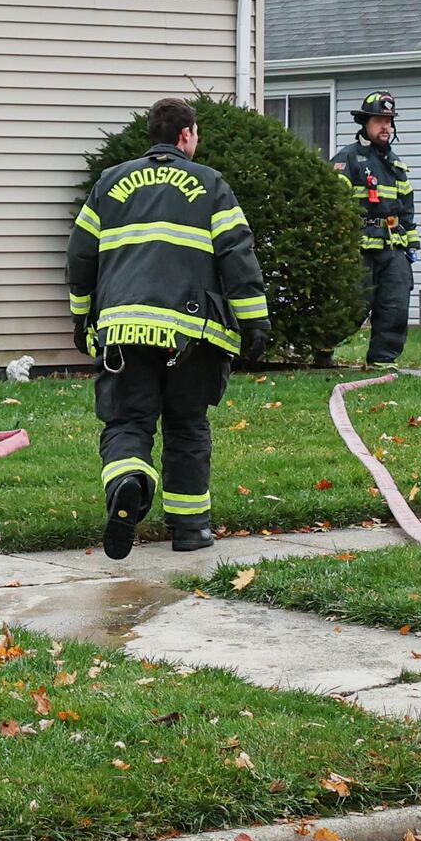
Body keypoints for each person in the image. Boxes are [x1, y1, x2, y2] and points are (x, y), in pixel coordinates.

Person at [66, 96, 267, 559]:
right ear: (186, 135)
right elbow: (237, 254)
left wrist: (82, 314)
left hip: (123, 330)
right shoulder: (210, 184)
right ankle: (190, 529)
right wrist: (255, 320)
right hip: (191, 334)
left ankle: (128, 481)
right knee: (187, 424)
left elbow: (80, 254)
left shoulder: (110, 183)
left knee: (128, 419)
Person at [344, 91, 420, 365]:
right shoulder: (348, 160)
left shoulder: (397, 166)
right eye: (379, 120)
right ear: (365, 123)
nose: (385, 126)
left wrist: (411, 245)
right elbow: (334, 204)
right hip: (359, 250)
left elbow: (407, 212)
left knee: (395, 307)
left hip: (393, 249)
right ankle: (322, 351)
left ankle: (384, 360)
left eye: (389, 121)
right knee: (351, 307)